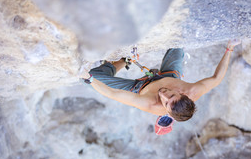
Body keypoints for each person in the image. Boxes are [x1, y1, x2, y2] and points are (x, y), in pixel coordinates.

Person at [80, 39, 241, 122]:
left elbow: (113, 93)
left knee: (94, 77)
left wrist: (88, 79)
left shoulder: (150, 104)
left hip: (140, 87)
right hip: (169, 75)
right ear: (182, 93)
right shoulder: (193, 91)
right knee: (178, 42)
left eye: (165, 103)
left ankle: (124, 60)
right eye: (171, 96)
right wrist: (230, 48)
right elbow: (217, 78)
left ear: (165, 110)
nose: (163, 95)